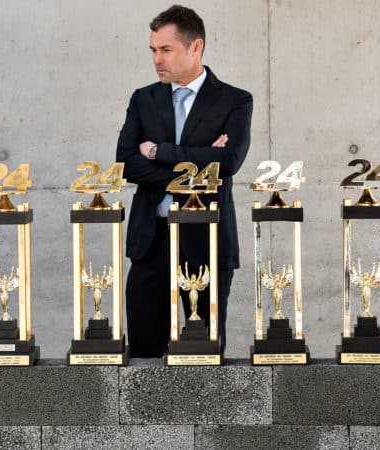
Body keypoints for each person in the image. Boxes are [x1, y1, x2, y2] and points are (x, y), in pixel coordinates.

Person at [116, 5, 253, 358]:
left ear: (196, 47)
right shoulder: (143, 99)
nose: (157, 59)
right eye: (153, 50)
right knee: (144, 353)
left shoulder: (235, 101)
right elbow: (126, 163)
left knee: (203, 356)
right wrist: (199, 159)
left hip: (206, 238)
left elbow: (229, 162)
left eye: (166, 50)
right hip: (151, 239)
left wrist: (159, 151)